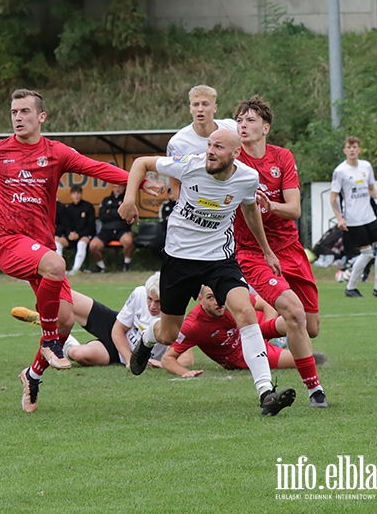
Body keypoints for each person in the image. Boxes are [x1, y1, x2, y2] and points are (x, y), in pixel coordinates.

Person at [0, 89, 131, 413]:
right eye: (14, 112)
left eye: (25, 111)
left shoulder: (56, 153)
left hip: (39, 249)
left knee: (67, 320)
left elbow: (96, 168)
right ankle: (48, 341)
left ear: (41, 117)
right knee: (57, 267)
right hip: (9, 241)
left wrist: (139, 182)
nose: (18, 117)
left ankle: (32, 376)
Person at [118, 127, 297, 417]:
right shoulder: (190, 164)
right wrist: (129, 200)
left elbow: (250, 210)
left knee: (246, 312)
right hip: (179, 259)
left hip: (219, 260)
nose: (210, 152)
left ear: (236, 154)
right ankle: (146, 341)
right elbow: (141, 163)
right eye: (209, 145)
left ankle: (266, 393)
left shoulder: (247, 178)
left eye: (218, 147)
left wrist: (266, 250)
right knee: (168, 334)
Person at [233, 97, 328, 408]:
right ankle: (315, 391)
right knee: (294, 313)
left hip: (290, 249)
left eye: (249, 120)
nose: (243, 125)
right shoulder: (233, 162)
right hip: (254, 253)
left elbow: (294, 209)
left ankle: (255, 332)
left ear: (265, 127)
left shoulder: (282, 157)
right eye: (240, 121)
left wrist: (269, 205)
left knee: (308, 327)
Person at [10, 272, 183, 368]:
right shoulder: (139, 293)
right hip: (116, 329)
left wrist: (161, 364)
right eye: (150, 300)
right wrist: (131, 359)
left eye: (158, 302)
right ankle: (28, 270)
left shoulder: (174, 316)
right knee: (67, 297)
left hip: (117, 354)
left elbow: (186, 357)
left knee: (78, 354)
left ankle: (45, 322)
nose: (152, 306)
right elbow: (117, 330)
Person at [162, 286, 327, 379]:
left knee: (297, 319)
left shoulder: (230, 299)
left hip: (254, 333)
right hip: (240, 358)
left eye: (218, 296)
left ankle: (280, 340)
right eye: (211, 298)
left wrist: (263, 337)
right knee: (307, 359)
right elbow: (168, 359)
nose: (218, 302)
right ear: (200, 300)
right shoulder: (193, 326)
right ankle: (285, 344)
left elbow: (267, 305)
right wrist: (185, 372)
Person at [330, 136, 377, 298]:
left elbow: (371, 189)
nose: (352, 150)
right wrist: (340, 218)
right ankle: (351, 287)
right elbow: (333, 198)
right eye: (349, 147)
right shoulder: (340, 171)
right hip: (353, 219)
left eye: (355, 147)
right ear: (345, 150)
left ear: (359, 150)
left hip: (369, 216)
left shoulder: (366, 166)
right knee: (367, 253)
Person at [165, 85, 237, 200]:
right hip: (197, 201)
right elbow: (175, 187)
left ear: (215, 108)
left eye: (205, 104)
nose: (200, 109)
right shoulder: (178, 143)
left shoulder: (232, 127)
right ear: (190, 109)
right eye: (195, 104)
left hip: (230, 196)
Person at [88, 183, 134, 272]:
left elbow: (126, 216)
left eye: (119, 187)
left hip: (122, 229)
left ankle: (126, 265)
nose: (117, 189)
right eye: (115, 187)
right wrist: (117, 213)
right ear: (112, 187)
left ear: (123, 188)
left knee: (129, 241)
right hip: (106, 230)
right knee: (93, 246)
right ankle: (102, 267)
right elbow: (103, 216)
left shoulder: (127, 200)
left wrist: (110, 212)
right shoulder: (106, 200)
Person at [57, 185, 95, 275]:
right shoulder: (68, 208)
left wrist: (79, 235)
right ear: (71, 195)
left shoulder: (88, 207)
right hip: (71, 237)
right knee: (57, 243)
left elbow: (91, 226)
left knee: (82, 243)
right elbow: (66, 225)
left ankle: (75, 269)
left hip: (84, 235)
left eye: (78, 193)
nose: (76, 196)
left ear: (81, 194)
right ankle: (59, 270)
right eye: (74, 193)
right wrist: (70, 234)